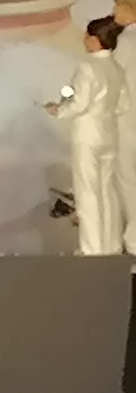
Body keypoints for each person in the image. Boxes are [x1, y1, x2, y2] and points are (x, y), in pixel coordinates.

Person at [45, 16, 129, 256]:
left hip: (87, 135)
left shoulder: (87, 67)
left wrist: (58, 110)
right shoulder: (117, 68)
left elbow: (79, 104)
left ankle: (92, 248)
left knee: (88, 192)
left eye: (87, 36)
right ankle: (111, 246)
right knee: (108, 192)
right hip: (109, 134)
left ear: (94, 40)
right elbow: (123, 105)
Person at [110, 0, 136, 252]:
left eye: (117, 6)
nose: (113, 11)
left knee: (126, 174)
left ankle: (134, 236)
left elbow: (113, 80)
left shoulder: (126, 41)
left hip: (128, 117)